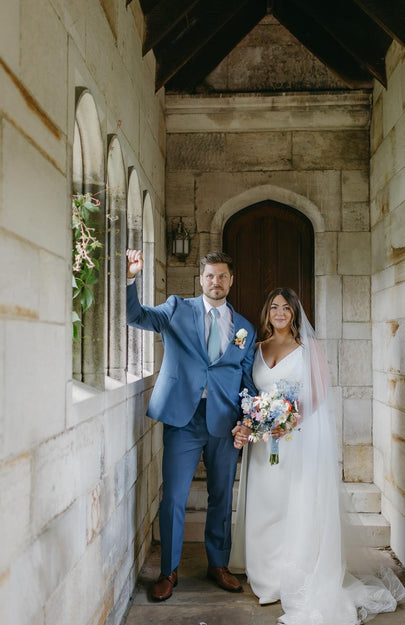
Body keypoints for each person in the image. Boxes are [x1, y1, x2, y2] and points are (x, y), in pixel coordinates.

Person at [230, 288, 405, 625]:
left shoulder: (309, 350)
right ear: (267, 313)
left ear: (295, 313)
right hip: (263, 444)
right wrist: (256, 421)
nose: (279, 313)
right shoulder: (255, 349)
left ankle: (295, 574)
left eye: (286, 308)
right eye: (274, 308)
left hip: (297, 440)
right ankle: (266, 576)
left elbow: (320, 392)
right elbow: (252, 394)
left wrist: (288, 420)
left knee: (294, 504)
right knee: (265, 505)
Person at [126, 249, 257, 601]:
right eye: (210, 276)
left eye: (222, 276)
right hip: (183, 419)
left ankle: (218, 564)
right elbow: (135, 316)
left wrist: (247, 420)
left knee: (220, 496)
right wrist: (130, 278)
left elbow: (245, 378)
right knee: (174, 497)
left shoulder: (243, 328)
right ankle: (168, 571)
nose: (216, 282)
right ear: (201, 280)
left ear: (231, 280)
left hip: (225, 421)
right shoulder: (176, 309)